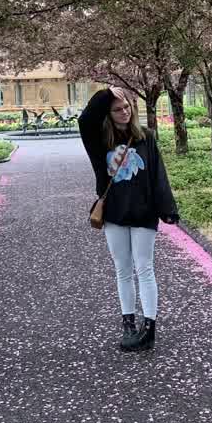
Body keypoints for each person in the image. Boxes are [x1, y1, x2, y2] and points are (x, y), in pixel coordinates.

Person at [78, 86, 179, 352]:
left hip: (144, 212)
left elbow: (158, 174)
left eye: (127, 107)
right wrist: (106, 93)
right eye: (117, 109)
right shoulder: (99, 140)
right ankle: (128, 324)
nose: (124, 112)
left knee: (144, 268)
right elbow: (84, 119)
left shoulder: (145, 137)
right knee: (123, 269)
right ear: (108, 114)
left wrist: (167, 207)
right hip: (114, 212)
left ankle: (149, 328)